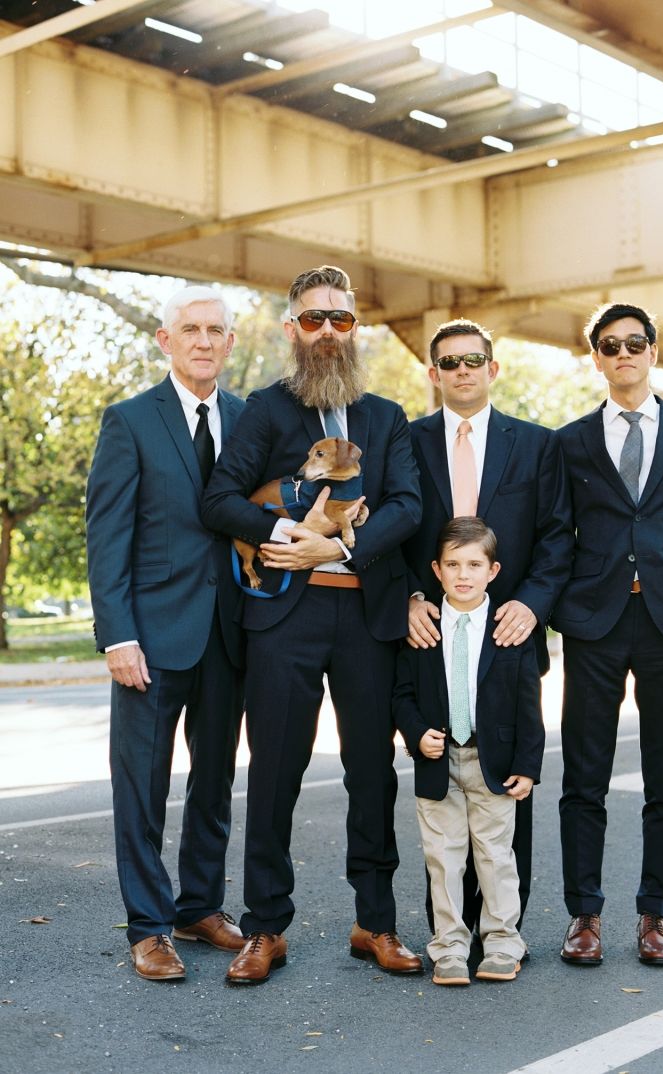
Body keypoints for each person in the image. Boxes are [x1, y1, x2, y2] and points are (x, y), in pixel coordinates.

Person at [201, 265, 423, 984]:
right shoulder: (265, 411)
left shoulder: (388, 417)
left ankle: (376, 923)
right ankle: (265, 928)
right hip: (284, 619)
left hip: (366, 615)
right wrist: (287, 529)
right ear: (291, 329)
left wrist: (344, 544)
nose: (328, 331)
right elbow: (218, 499)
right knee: (273, 774)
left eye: (341, 319)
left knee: (371, 773)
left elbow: (409, 508)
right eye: (313, 319)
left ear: (355, 329)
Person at [551, 302, 663, 967]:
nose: (623, 353)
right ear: (596, 358)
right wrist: (559, 609)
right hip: (594, 623)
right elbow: (556, 536)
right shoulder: (569, 442)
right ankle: (585, 917)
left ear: (653, 352)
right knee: (584, 776)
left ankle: (656, 916)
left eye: (635, 343)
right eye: (610, 345)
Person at [86, 285, 246, 981]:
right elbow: (107, 534)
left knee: (213, 782)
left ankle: (199, 905)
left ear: (229, 343)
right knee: (142, 788)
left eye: (215, 330)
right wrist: (117, 635)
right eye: (191, 329)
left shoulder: (248, 420)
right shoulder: (129, 422)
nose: (204, 340)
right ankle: (150, 927)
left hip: (232, 635)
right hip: (150, 639)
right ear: (165, 340)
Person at [402, 318, 572, 932]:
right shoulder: (409, 440)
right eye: (449, 362)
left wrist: (532, 603)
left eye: (473, 360)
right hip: (432, 635)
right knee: (440, 787)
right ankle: (449, 931)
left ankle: (504, 931)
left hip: (508, 635)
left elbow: (556, 538)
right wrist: (408, 597)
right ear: (434, 374)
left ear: (493, 368)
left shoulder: (535, 444)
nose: (463, 370)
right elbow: (393, 529)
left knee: (506, 786)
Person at [394, 518, 545, 986]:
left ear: (493, 570)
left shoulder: (509, 628)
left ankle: (501, 941)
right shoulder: (424, 628)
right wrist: (417, 734)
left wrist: (527, 766)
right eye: (453, 564)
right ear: (436, 570)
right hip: (438, 761)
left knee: (496, 856)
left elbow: (529, 703)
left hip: (492, 762)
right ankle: (450, 946)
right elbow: (401, 694)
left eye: (474, 564)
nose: (463, 574)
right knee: (444, 858)